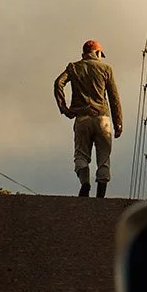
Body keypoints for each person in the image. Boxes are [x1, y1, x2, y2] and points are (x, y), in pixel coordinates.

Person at [53, 40, 123, 197]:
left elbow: (58, 83)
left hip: (82, 118)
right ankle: (100, 195)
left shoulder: (74, 67)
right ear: (97, 53)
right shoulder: (106, 69)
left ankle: (85, 183)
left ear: (84, 54)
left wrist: (64, 108)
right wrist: (118, 123)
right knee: (103, 157)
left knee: (81, 155)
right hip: (102, 118)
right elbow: (114, 98)